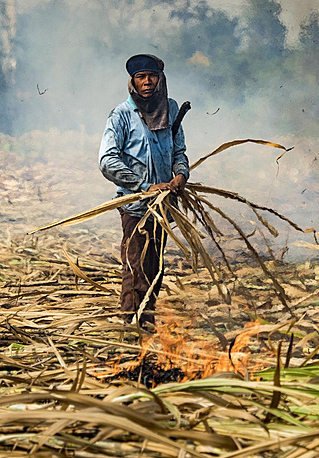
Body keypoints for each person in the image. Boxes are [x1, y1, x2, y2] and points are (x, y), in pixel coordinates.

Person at [98, 54, 190, 330]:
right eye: (141, 77)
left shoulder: (171, 110)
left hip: (163, 207)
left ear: (160, 79)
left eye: (152, 76)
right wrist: (144, 186)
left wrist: (181, 174)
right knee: (135, 268)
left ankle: (148, 323)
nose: (147, 82)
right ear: (133, 81)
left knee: (156, 269)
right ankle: (131, 326)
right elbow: (107, 160)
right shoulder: (121, 115)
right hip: (136, 207)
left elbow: (179, 150)